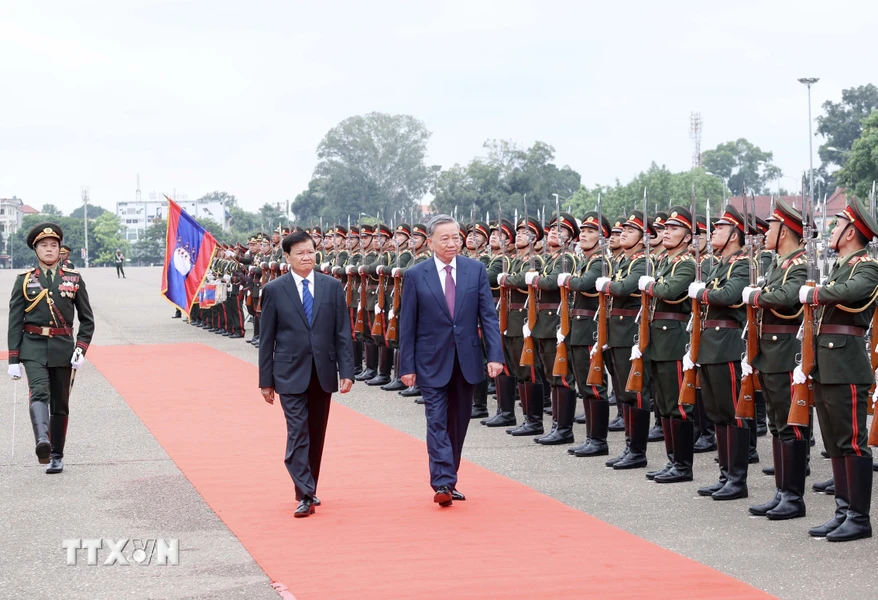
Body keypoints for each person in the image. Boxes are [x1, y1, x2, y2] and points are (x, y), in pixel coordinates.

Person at [399, 215, 504, 507]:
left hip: (467, 359)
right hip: (431, 359)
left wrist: (495, 355)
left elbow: (488, 317)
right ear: (430, 242)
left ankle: (449, 475)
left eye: (456, 237)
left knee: (458, 423)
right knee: (436, 420)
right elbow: (408, 325)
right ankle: (442, 481)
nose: (451, 243)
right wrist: (406, 366)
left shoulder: (476, 270)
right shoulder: (416, 275)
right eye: (444, 238)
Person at [258, 230, 355, 518]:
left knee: (316, 432)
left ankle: (307, 487)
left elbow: (342, 333)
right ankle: (306, 492)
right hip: (288, 372)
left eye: (310, 251)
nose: (306, 256)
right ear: (286, 256)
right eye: (299, 252)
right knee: (298, 431)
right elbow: (267, 339)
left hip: (322, 371)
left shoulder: (331, 287)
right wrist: (266, 381)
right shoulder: (275, 289)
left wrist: (347, 371)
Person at [801, 197, 878, 542]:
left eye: (837, 225)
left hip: (846, 363)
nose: (831, 230)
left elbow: (855, 291)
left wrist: (817, 292)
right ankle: (843, 511)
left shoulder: (867, 267)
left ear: (851, 232)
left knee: (852, 442)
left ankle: (859, 518)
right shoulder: (841, 267)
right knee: (834, 442)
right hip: (826, 364)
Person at [7, 222, 95, 474]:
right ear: (35, 250)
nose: (49, 249)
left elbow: (87, 318)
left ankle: (56, 455)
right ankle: (42, 441)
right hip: (32, 346)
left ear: (60, 250)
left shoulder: (74, 280)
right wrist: (14, 358)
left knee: (60, 403)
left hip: (63, 347)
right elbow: (15, 321)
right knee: (39, 392)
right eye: (43, 246)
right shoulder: (23, 281)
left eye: (53, 246)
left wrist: (81, 347)